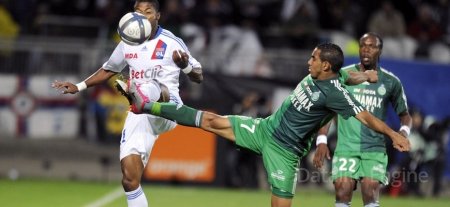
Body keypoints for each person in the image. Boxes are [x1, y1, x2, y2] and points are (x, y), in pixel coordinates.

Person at [120, 42, 410, 207]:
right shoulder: (329, 75)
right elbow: (352, 76)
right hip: (265, 129)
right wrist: (367, 77)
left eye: (314, 58)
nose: (308, 61)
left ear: (325, 66)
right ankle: (144, 104)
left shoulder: (336, 93)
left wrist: (393, 133)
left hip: (285, 152)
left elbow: (365, 116)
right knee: (209, 120)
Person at [51, 1, 203, 207]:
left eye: (148, 12)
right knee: (129, 179)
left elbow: (198, 76)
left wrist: (185, 66)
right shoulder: (127, 41)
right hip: (140, 111)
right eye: (138, 12)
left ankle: (145, 92)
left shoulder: (171, 41)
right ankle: (139, 94)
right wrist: (78, 87)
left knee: (150, 87)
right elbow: (109, 69)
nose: (142, 16)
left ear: (157, 16)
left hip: (169, 108)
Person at [313, 33, 412, 207]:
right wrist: (322, 140)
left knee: (370, 190)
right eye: (362, 45)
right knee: (342, 190)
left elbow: (405, 116)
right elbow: (328, 109)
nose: (366, 49)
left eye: (371, 46)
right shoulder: (343, 76)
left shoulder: (390, 82)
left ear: (379, 51)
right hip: (346, 147)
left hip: (374, 148)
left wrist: (403, 133)